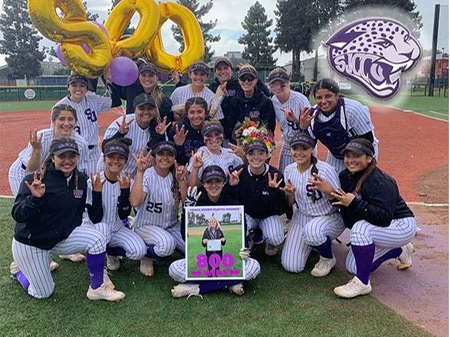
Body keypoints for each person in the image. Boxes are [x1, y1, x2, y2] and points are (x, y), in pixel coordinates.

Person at [10, 138, 125, 301]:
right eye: (62, 156)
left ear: (77, 157)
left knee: (98, 237)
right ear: (52, 157)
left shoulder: (81, 180)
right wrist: (35, 199)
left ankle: (97, 288)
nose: (67, 160)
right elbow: (18, 215)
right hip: (32, 242)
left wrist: (97, 194)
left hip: (59, 238)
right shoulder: (35, 179)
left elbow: (95, 217)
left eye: (72, 156)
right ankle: (19, 271)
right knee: (43, 293)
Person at [323, 138, 416, 298]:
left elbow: (384, 218)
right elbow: (345, 208)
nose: (351, 160)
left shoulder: (382, 181)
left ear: (369, 158)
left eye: (356, 156)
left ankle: (362, 283)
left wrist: (354, 204)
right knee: (353, 266)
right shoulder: (345, 176)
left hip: (400, 225)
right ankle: (399, 250)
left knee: (360, 229)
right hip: (379, 228)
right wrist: (329, 193)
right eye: (348, 156)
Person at [169, 165, 261, 298]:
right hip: (204, 259)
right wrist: (186, 211)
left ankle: (197, 288)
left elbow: (242, 237)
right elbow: (185, 236)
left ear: (224, 183)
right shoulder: (197, 201)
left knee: (254, 267)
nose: (213, 185)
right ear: (204, 184)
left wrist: (245, 250)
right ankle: (230, 282)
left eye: (217, 181)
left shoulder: (232, 202)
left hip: (224, 259)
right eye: (209, 182)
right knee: (174, 269)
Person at [280, 132, 345, 276]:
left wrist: (329, 191)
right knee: (291, 266)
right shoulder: (289, 170)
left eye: (304, 148)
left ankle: (327, 257)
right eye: (295, 148)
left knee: (312, 231)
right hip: (302, 217)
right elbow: (290, 203)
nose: (299, 152)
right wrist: (289, 195)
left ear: (312, 149)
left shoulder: (326, 170)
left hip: (329, 217)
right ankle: (313, 244)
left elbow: (340, 203)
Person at [83, 137, 147, 272]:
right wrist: (97, 193)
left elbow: (124, 214)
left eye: (120, 158)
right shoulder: (92, 182)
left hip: (117, 228)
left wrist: (124, 191)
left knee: (139, 251)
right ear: (104, 158)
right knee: (102, 232)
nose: (115, 161)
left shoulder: (127, 181)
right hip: (95, 229)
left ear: (125, 161)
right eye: (111, 156)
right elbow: (95, 217)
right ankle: (98, 269)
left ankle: (110, 252)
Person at [130, 141, 187, 277]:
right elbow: (135, 202)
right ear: (155, 156)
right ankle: (146, 255)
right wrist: (140, 171)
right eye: (161, 154)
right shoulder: (147, 175)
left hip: (171, 225)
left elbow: (187, 203)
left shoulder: (176, 175)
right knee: (167, 245)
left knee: (193, 248)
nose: (165, 158)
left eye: (169, 154)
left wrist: (181, 181)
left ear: (174, 158)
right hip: (147, 225)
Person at [297, 78, 378, 173]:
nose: (323, 101)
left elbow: (368, 140)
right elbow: (307, 146)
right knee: (331, 180)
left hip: (361, 151)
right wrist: (303, 128)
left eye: (328, 96)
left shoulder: (353, 109)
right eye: (319, 97)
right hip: (336, 153)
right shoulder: (312, 116)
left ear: (337, 95)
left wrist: (353, 162)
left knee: (358, 182)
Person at [8, 104, 89, 196]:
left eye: (70, 119)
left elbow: (79, 172)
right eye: (61, 119)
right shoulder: (41, 137)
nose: (66, 123)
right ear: (53, 121)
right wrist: (36, 149)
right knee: (26, 204)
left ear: (76, 122)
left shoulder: (81, 144)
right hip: (23, 174)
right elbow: (31, 169)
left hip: (45, 174)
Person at [228, 140, 289, 256]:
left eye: (260, 153)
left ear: (267, 155)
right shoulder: (238, 172)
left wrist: (274, 192)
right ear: (246, 156)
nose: (256, 157)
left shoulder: (275, 175)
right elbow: (231, 202)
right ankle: (250, 237)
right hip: (247, 214)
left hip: (267, 216)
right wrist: (233, 187)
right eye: (251, 153)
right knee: (236, 233)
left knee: (276, 237)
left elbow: (281, 209)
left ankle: (269, 242)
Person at [55, 74, 115, 175]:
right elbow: (56, 135)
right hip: (73, 153)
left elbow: (116, 101)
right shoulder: (59, 107)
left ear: (87, 88)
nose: (78, 88)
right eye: (74, 85)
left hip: (93, 154)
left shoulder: (93, 100)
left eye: (82, 85)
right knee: (76, 187)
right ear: (68, 87)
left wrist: (107, 80)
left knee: (94, 185)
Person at [98, 93, 168, 177]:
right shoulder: (122, 123)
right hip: (110, 172)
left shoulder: (158, 127)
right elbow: (104, 148)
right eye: (141, 108)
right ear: (135, 110)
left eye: (150, 109)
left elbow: (162, 151)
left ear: (155, 110)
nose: (146, 112)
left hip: (135, 175)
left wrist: (160, 136)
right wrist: (120, 134)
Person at [209, 57, 270, 144]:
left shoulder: (240, 83)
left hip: (236, 134)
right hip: (217, 134)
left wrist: (252, 74)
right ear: (215, 72)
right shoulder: (212, 87)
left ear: (231, 70)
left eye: (226, 68)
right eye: (219, 69)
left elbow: (266, 93)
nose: (222, 71)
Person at [268, 68, 311, 173]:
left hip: (305, 143)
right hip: (288, 143)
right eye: (274, 84)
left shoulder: (300, 100)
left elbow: (312, 128)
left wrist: (296, 121)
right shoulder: (273, 101)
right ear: (270, 86)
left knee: (306, 175)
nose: (278, 88)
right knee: (284, 176)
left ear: (288, 83)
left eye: (282, 84)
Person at [106, 61, 174, 121]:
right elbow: (116, 101)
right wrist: (110, 80)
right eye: (144, 75)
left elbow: (168, 122)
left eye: (151, 76)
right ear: (139, 77)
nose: (147, 79)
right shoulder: (131, 89)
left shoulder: (164, 100)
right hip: (130, 131)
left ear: (157, 78)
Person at [187, 121, 244, 188]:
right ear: (204, 138)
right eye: (209, 136)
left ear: (223, 136)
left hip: (229, 193)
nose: (213, 139)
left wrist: (243, 155)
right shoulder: (199, 156)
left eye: (217, 135)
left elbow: (245, 169)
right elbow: (191, 188)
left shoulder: (230, 152)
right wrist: (195, 168)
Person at [230, 65, 276, 135]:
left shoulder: (265, 102)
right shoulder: (234, 102)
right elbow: (231, 125)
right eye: (243, 78)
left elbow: (269, 126)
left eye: (250, 78)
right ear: (239, 81)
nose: (246, 81)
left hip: (260, 142)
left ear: (256, 80)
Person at [168, 97, 208, 165]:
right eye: (192, 112)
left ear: (205, 113)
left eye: (199, 112)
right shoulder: (178, 129)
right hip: (184, 167)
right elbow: (171, 158)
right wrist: (178, 145)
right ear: (187, 114)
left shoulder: (211, 128)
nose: (196, 116)